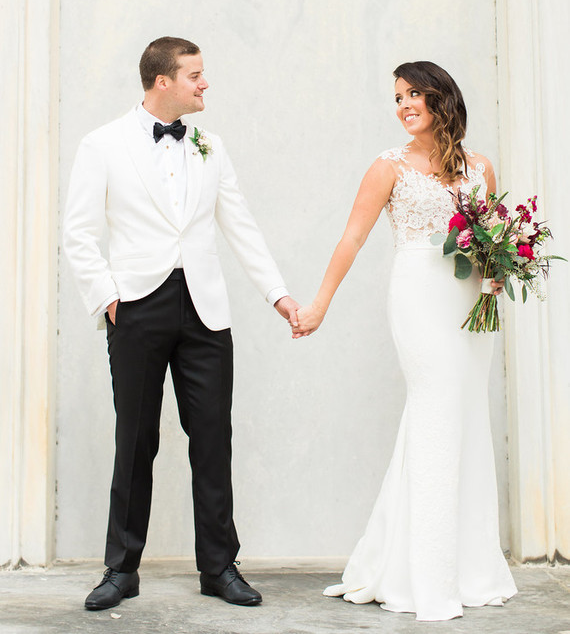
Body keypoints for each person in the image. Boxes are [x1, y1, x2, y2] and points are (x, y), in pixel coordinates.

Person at [63, 36, 299, 611]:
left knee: (213, 439)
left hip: (205, 310)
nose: (205, 83)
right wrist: (108, 298)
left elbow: (240, 224)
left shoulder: (210, 145)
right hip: (136, 307)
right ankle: (122, 570)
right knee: (135, 440)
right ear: (162, 81)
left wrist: (278, 294)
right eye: (195, 75)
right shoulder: (102, 144)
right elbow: (78, 232)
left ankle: (219, 568)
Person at [293, 61, 517, 622]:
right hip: (419, 298)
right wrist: (318, 305)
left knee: (465, 416)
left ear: (442, 98)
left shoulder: (480, 167)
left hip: (470, 304)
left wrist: (498, 272)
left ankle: (466, 569)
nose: (403, 105)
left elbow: (491, 238)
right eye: (398, 97)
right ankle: (426, 578)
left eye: (414, 93)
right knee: (434, 412)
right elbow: (352, 238)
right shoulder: (387, 166)